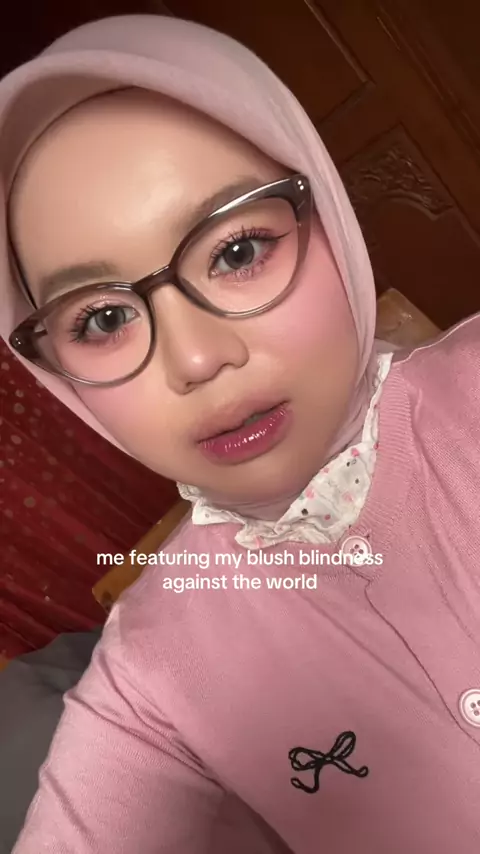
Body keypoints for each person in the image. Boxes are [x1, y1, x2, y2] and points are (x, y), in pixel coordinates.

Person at [0, 13, 479, 854]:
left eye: (236, 250)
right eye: (103, 318)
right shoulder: (150, 679)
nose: (197, 357)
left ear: (330, 219)